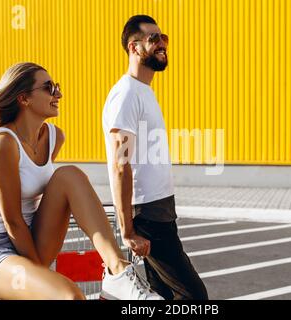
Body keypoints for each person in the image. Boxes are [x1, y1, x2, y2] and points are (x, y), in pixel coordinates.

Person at [0, 62, 162, 300]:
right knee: (69, 296)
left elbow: (51, 194)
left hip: (33, 237)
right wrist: (40, 275)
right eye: (48, 88)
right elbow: (13, 221)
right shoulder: (3, 143)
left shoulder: (54, 137)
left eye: (56, 86)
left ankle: (117, 273)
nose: (58, 94)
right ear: (24, 98)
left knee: (69, 174)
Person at [102, 15, 209, 300]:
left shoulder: (143, 92)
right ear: (134, 48)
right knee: (194, 297)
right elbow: (120, 164)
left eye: (164, 39)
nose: (162, 44)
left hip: (160, 210)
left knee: (159, 296)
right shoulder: (126, 95)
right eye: (154, 39)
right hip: (147, 215)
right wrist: (127, 231)